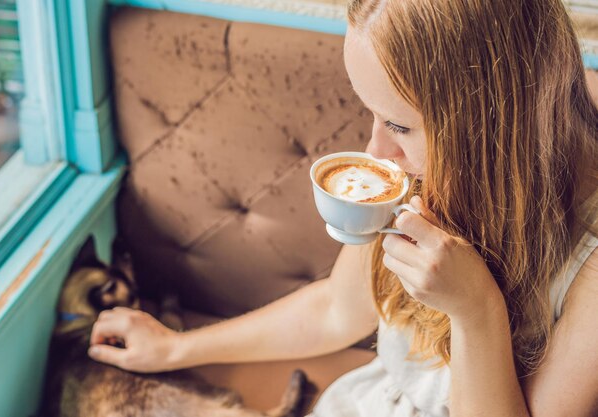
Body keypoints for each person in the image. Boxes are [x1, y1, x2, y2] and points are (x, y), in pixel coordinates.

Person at [87, 0, 598, 416]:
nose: (375, 151)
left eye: (398, 125)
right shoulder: (427, 169)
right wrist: (174, 347)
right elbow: (337, 309)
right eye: (372, 115)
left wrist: (475, 311)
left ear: (490, 124)